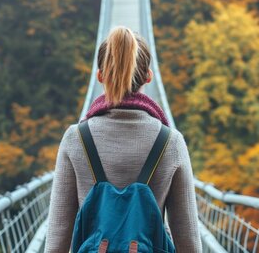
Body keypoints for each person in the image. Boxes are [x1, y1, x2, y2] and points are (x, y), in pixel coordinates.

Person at [45, 26, 202, 252]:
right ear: (148, 76)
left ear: (99, 76)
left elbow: (57, 240)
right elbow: (188, 242)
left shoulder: (76, 138)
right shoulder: (171, 142)